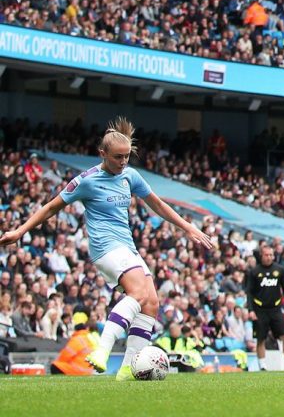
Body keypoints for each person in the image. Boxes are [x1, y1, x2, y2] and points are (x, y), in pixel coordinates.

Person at [0, 117, 213, 380]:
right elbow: (52, 207)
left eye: (126, 157)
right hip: (105, 249)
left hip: (127, 247)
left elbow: (157, 204)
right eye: (117, 157)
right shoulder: (86, 181)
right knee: (137, 292)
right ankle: (102, 350)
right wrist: (21, 231)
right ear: (103, 154)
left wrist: (188, 227)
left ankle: (127, 369)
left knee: (151, 302)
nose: (123, 162)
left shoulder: (130, 176)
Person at [246, 242, 284, 371]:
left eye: (271, 255)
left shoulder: (279, 270)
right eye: (266, 255)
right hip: (260, 309)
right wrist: (251, 310)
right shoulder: (255, 272)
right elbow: (249, 292)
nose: (269, 257)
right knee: (260, 339)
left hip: (275, 309)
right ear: (261, 256)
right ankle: (262, 365)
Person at [50, 312, 99, 376]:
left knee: (55, 365)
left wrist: (59, 362)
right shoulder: (89, 338)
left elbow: (65, 355)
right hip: (88, 370)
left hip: (78, 369)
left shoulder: (78, 339)